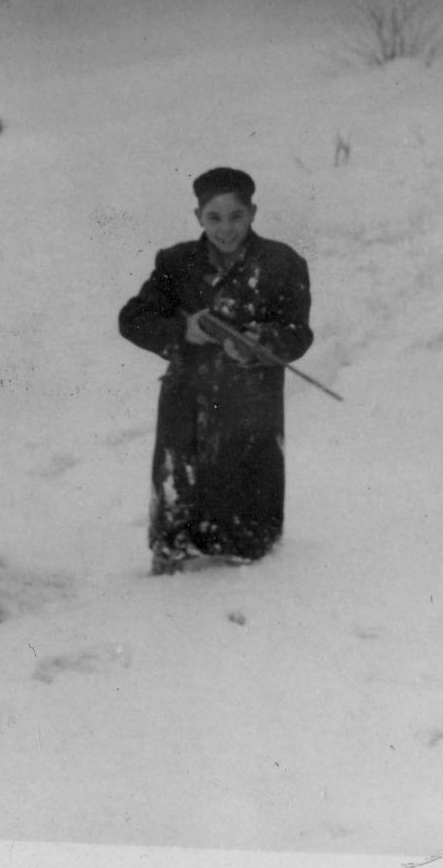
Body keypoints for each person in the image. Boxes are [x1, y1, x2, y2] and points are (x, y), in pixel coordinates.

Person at [118, 168, 313, 574]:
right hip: (187, 398)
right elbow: (132, 319)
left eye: (237, 216)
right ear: (198, 217)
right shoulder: (176, 263)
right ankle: (172, 550)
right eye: (214, 218)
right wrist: (182, 331)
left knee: (246, 495)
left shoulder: (282, 263)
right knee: (181, 479)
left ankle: (245, 556)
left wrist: (264, 343)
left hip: (251, 402)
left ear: (253, 212)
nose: (226, 228)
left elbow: (299, 333)